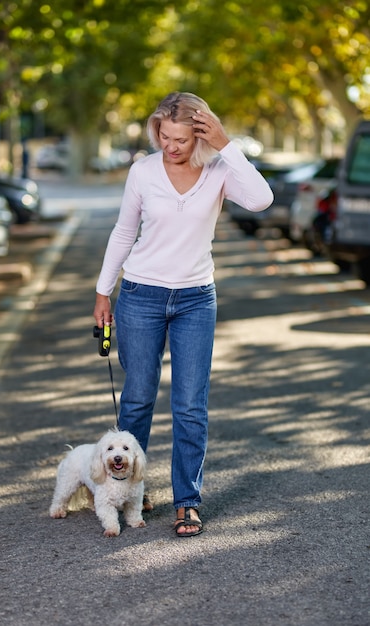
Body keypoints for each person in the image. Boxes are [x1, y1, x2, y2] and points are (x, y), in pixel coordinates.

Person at [93, 92, 273, 537]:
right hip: (140, 296)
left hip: (196, 299)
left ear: (200, 134)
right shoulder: (143, 171)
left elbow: (262, 200)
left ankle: (187, 501)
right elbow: (123, 231)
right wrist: (103, 292)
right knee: (137, 397)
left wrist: (228, 145)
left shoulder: (219, 172)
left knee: (191, 405)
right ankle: (131, 488)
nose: (170, 146)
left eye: (180, 139)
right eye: (164, 136)